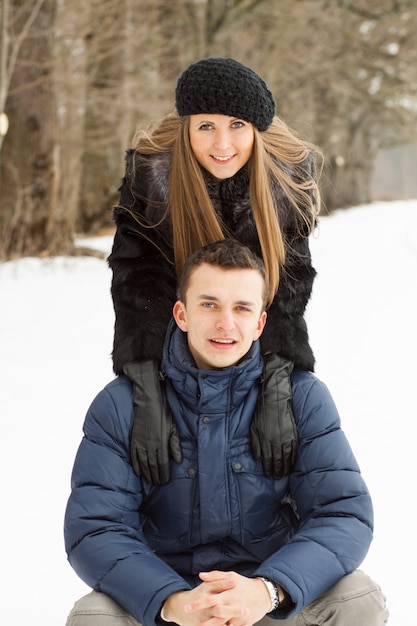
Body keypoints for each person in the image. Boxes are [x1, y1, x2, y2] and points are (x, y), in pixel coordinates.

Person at [65, 239, 388, 626]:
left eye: (241, 308)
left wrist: (269, 590)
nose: (225, 323)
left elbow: (343, 512)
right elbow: (97, 527)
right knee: (92, 617)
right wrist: (171, 599)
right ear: (181, 314)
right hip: (171, 606)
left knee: (358, 598)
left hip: (266, 603)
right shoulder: (121, 405)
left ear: (260, 323)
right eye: (209, 304)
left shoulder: (302, 397)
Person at [107, 57, 323, 486]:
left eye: (237, 125)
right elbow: (137, 281)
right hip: (177, 353)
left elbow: (290, 287)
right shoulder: (153, 179)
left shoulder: (284, 184)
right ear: (187, 127)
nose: (223, 143)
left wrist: (278, 379)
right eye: (206, 126)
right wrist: (147, 382)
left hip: (255, 347)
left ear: (257, 130)